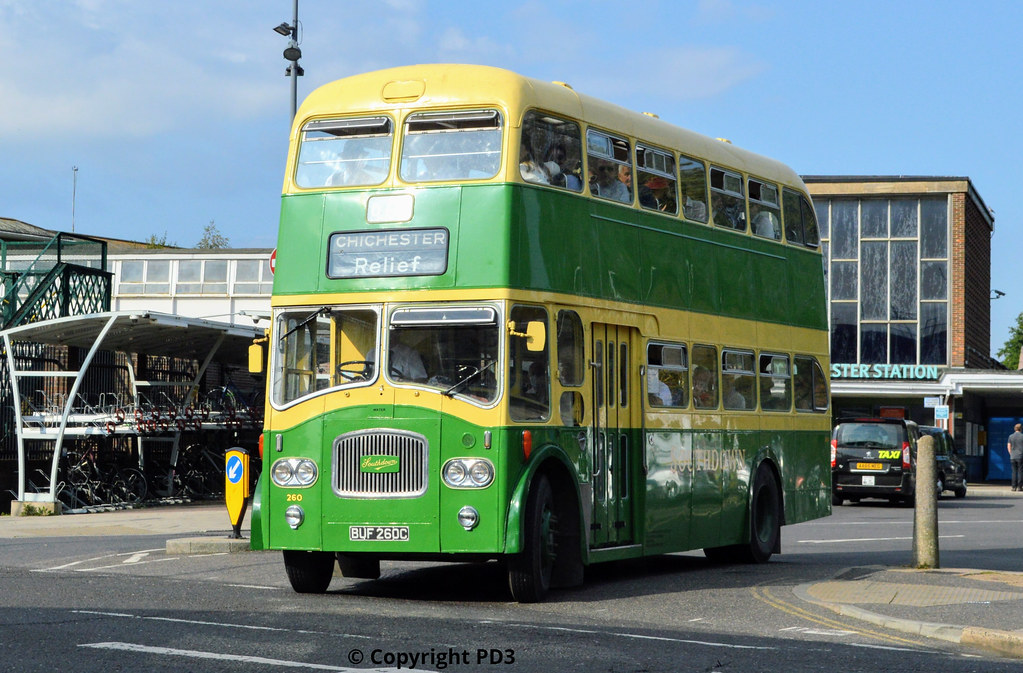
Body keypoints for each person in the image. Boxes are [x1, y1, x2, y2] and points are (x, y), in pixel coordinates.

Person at [1008, 423, 1023, 491]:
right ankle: (1020, 487)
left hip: (1013, 456)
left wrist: (1011, 453)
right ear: (1021, 429)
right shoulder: (1022, 436)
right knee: (1020, 471)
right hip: (1020, 456)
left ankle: (1013, 487)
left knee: (1014, 472)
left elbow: (1008, 446)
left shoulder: (1011, 436)